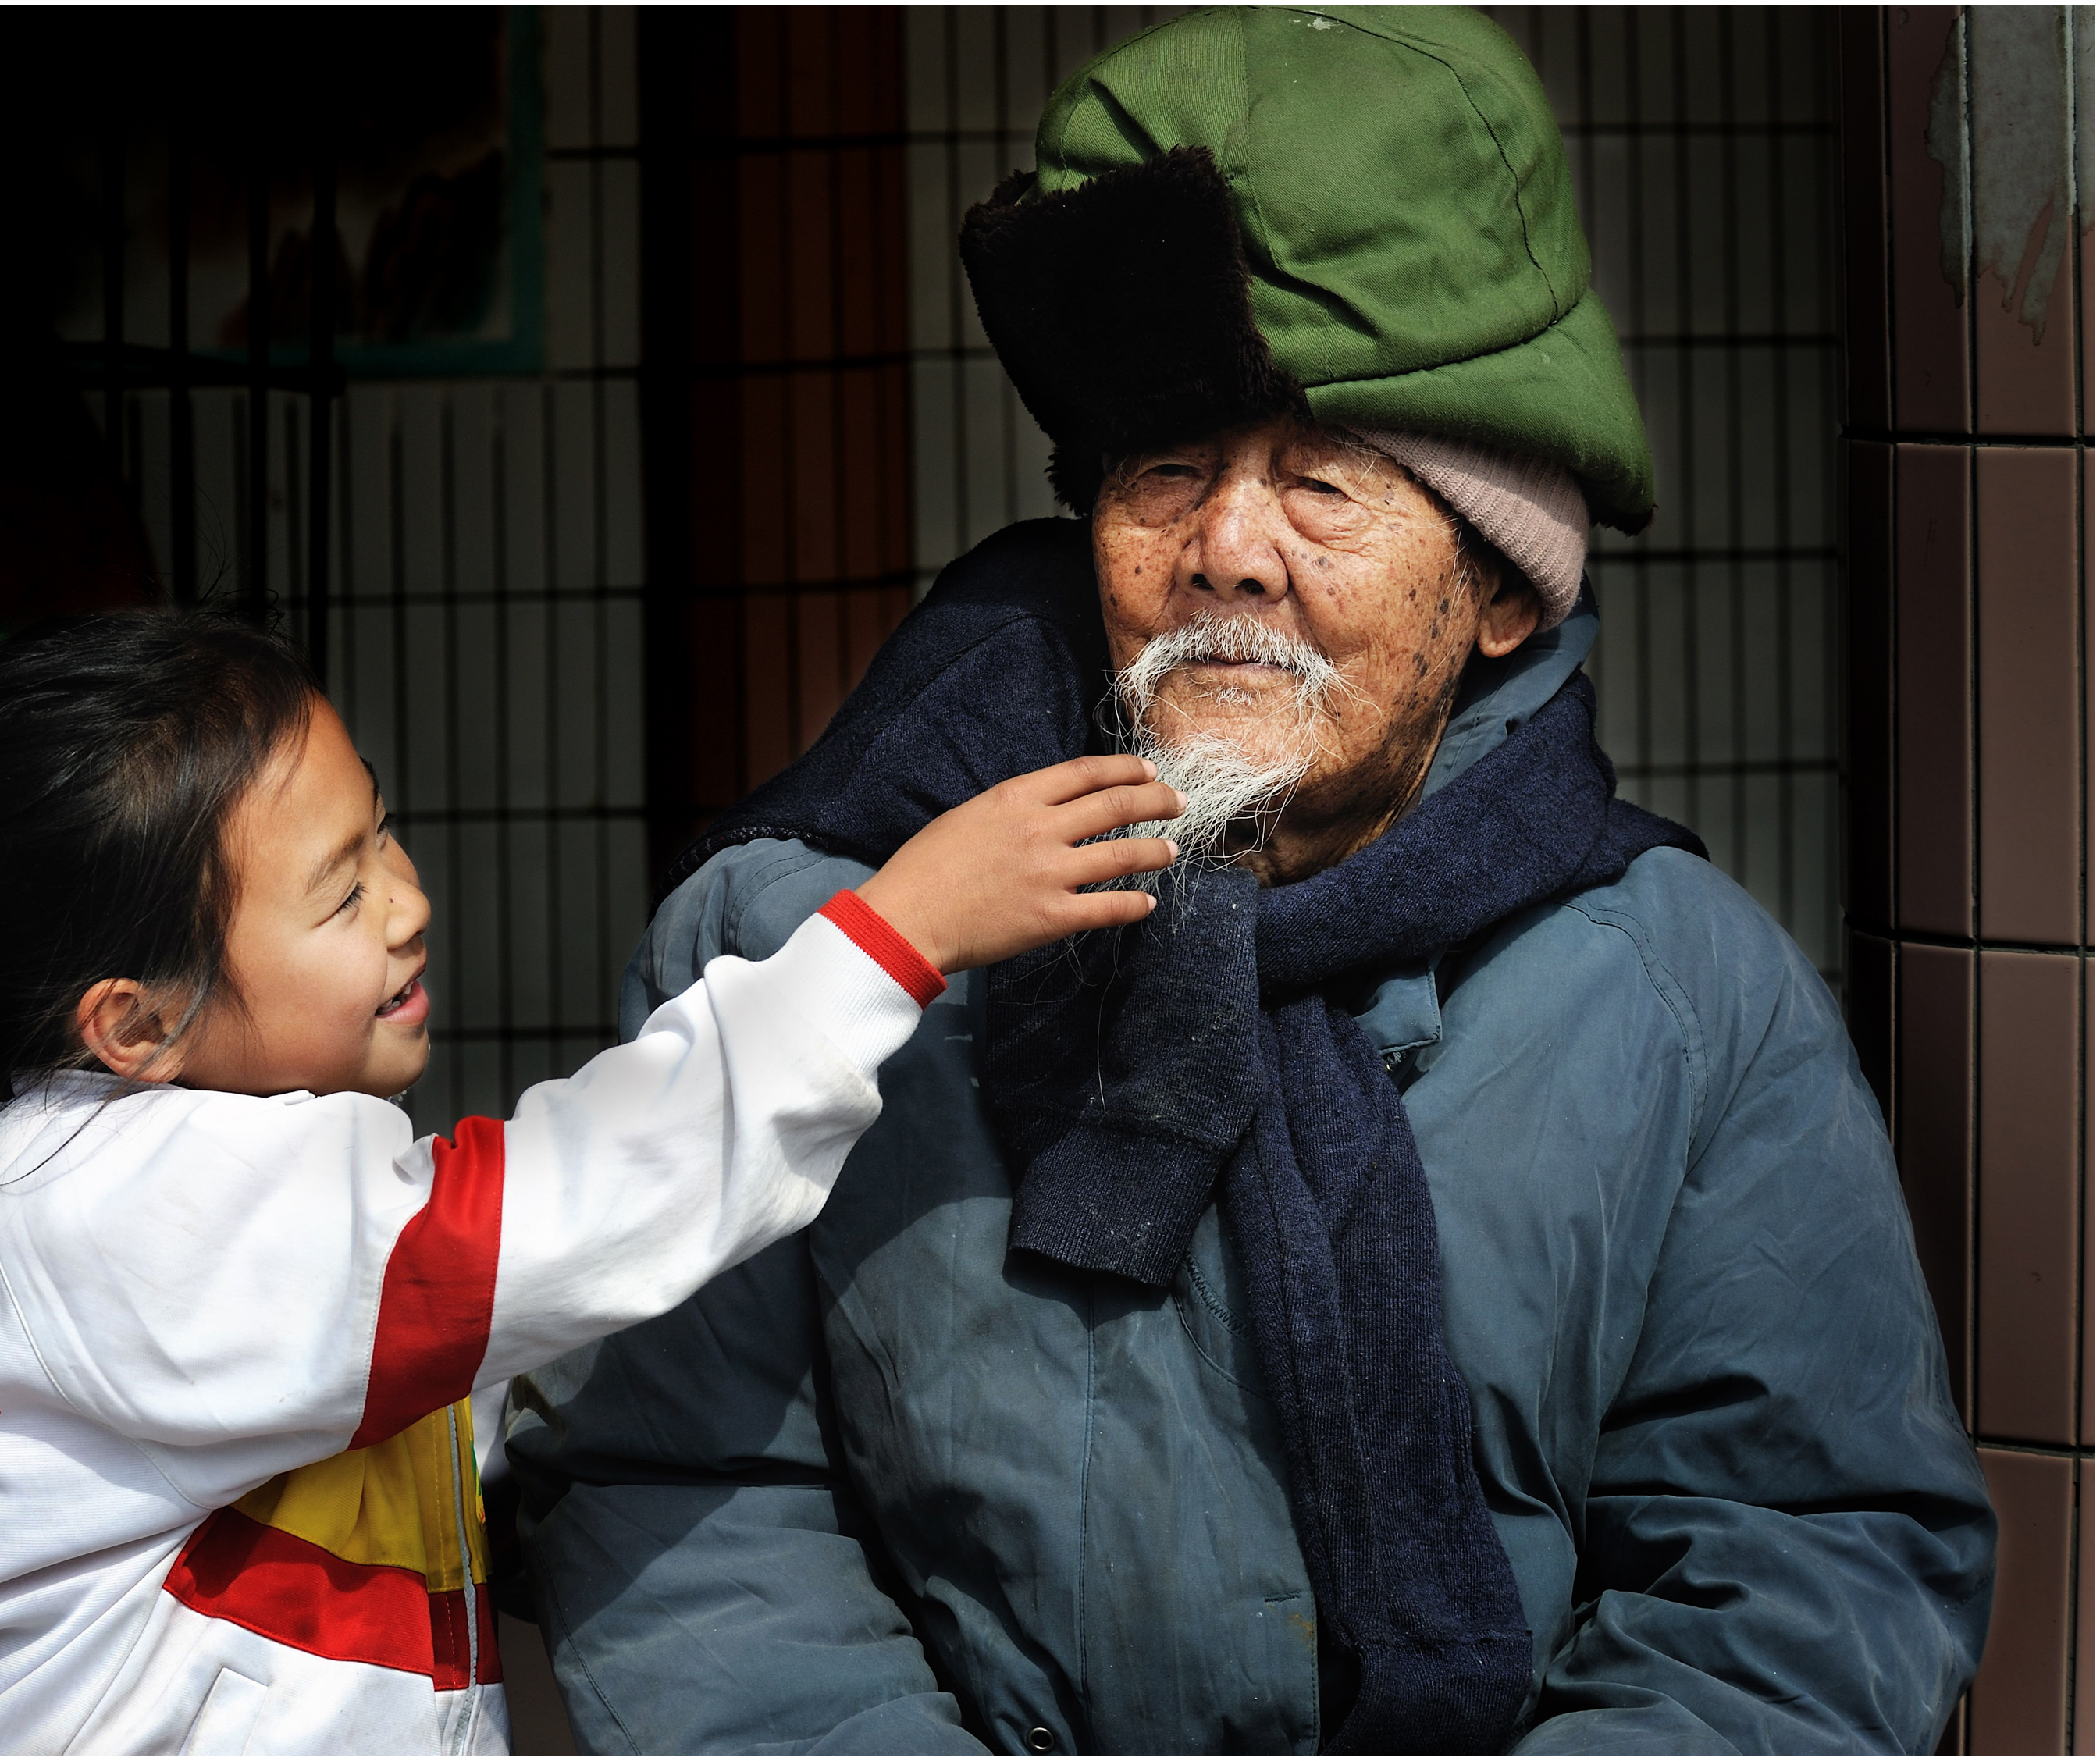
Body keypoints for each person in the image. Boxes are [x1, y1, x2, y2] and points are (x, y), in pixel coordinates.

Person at [508, 9, 1996, 1754]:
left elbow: (1798, 1562)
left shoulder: (1679, 999)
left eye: (1322, 485)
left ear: (1501, 594)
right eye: (1165, 473)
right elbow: (678, 1490)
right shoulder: (814, 942)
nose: (1225, 551)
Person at [0, 610, 1183, 1755]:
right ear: (134, 1023)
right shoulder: (124, 1208)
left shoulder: (205, 1168)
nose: (408, 897)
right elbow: (558, 1221)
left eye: (379, 829)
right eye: (339, 891)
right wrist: (897, 932)